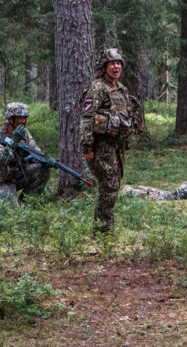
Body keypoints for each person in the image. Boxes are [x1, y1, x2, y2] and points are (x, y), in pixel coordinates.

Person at [79, 48, 144, 234]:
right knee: (109, 186)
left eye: (118, 63)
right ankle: (102, 230)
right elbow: (87, 118)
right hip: (102, 146)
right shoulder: (98, 88)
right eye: (111, 63)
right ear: (104, 66)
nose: (116, 67)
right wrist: (87, 146)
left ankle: (105, 227)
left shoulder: (120, 88)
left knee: (114, 184)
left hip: (117, 146)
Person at [0, 102, 50, 205]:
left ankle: (25, 204)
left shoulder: (25, 133)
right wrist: (14, 141)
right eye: (20, 118)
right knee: (9, 208)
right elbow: (0, 160)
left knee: (43, 170)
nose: (23, 121)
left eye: (25, 118)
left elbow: (35, 150)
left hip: (14, 175)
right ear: (10, 119)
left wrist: (44, 159)